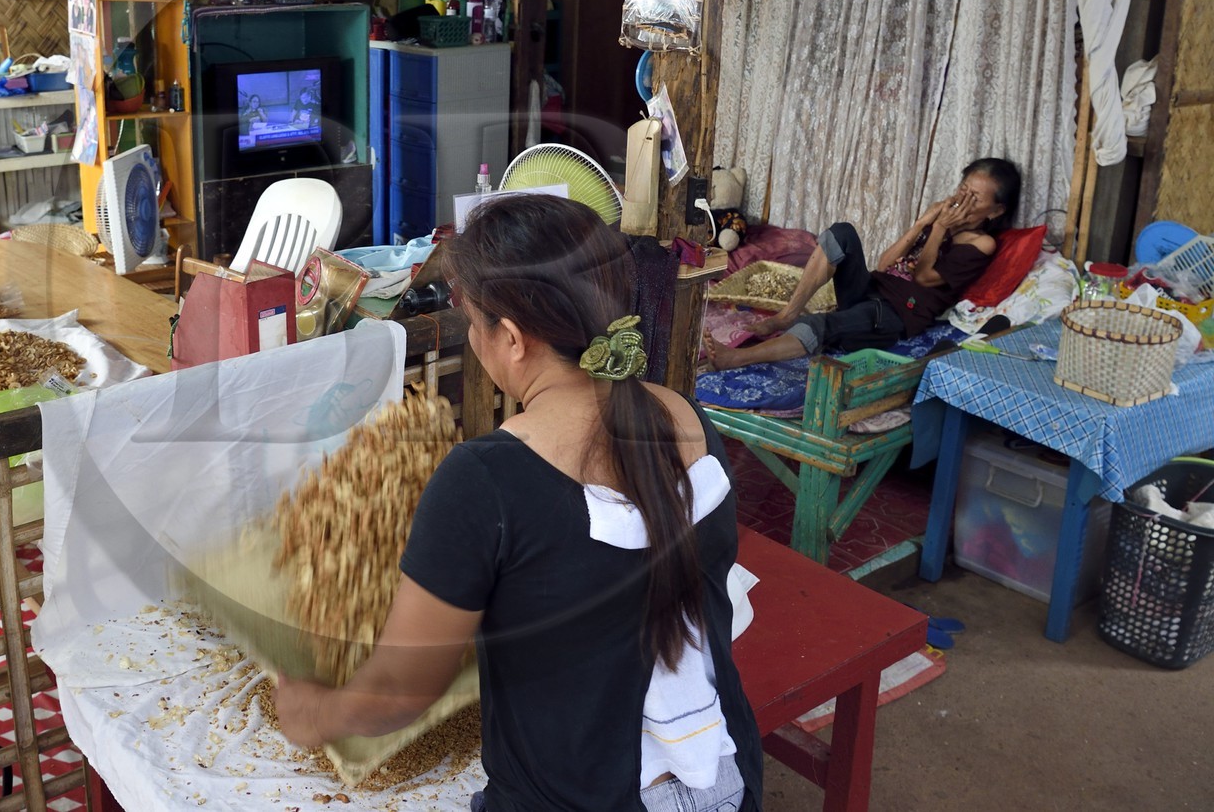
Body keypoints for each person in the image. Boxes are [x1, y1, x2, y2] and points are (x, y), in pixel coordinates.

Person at [274, 195, 763, 812]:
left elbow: (398, 692)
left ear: (509, 336)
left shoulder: (485, 480)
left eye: (473, 323)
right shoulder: (684, 416)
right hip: (725, 780)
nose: (472, 337)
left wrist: (314, 712)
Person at [705, 158, 1021, 370]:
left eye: (975, 198)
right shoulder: (940, 221)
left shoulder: (980, 243)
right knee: (841, 233)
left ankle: (736, 358)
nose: (963, 201)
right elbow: (884, 265)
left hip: (898, 313)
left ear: (995, 211)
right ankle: (787, 314)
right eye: (963, 190)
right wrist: (922, 223)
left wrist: (938, 228)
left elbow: (924, 278)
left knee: (821, 325)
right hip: (871, 288)